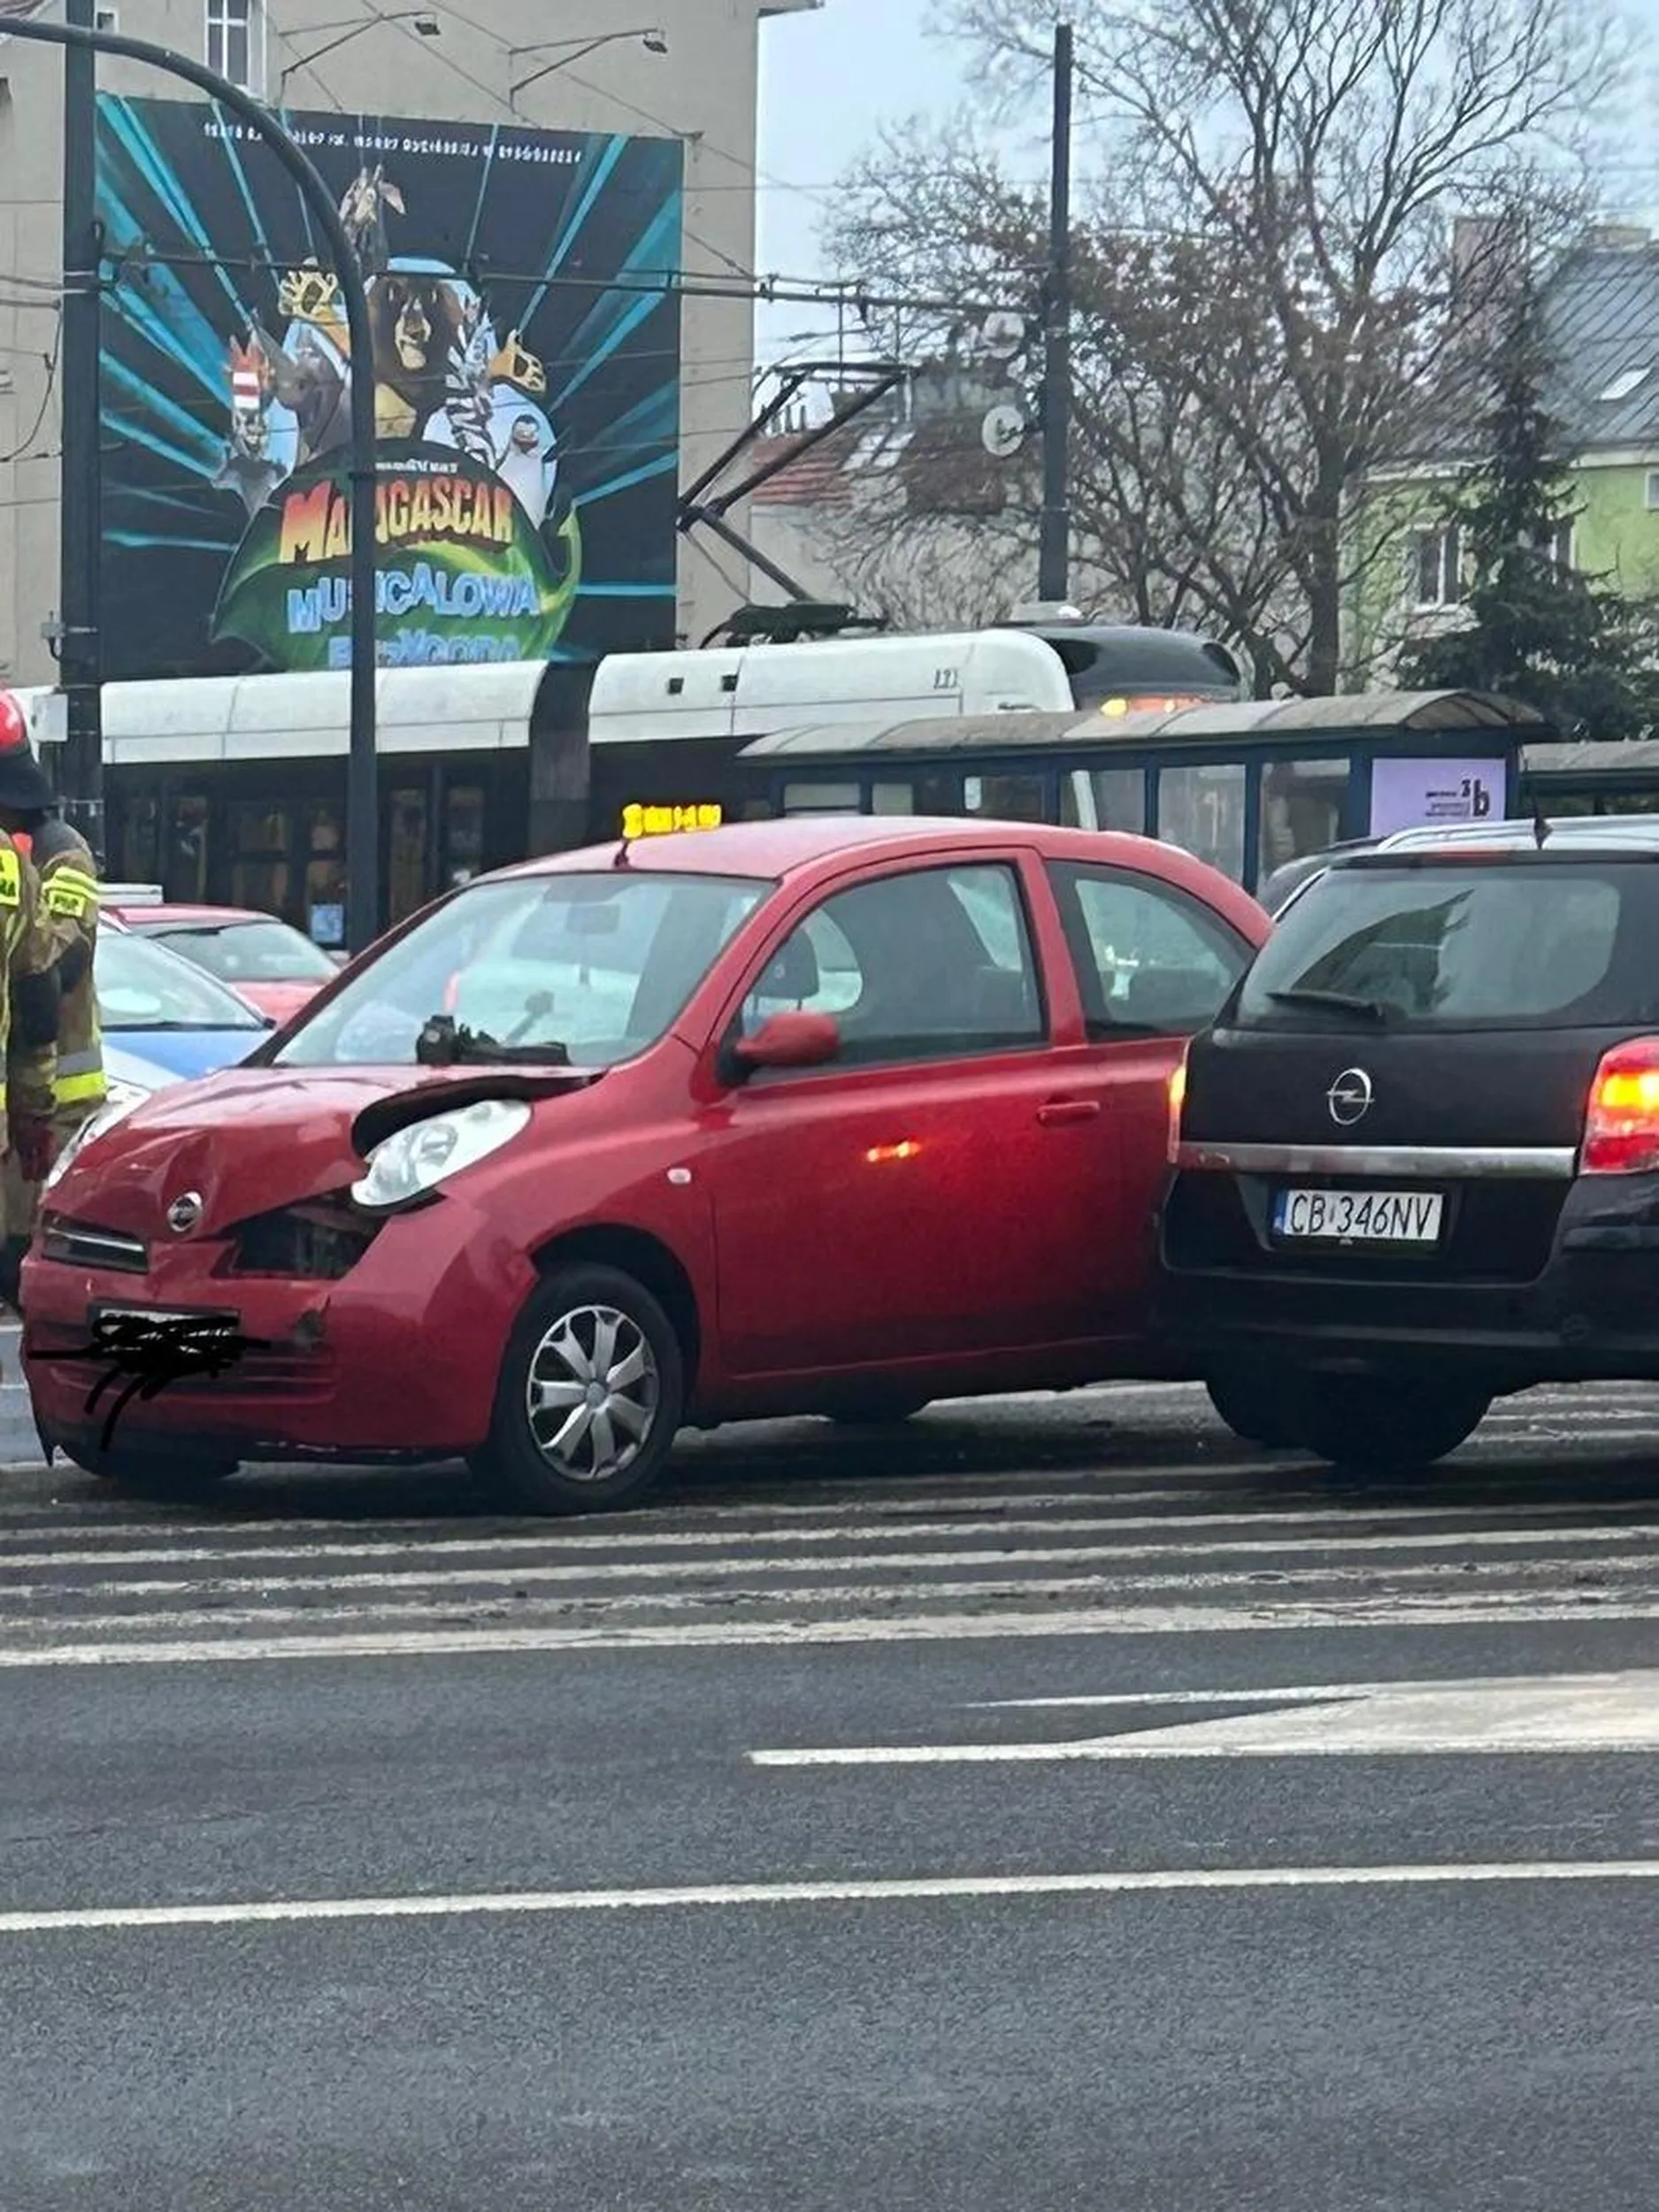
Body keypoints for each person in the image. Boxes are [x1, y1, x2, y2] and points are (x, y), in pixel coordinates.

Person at [0, 699, 88, 1307]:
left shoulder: (52, 855)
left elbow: (56, 975)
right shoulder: (14, 866)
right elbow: (36, 993)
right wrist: (32, 1111)